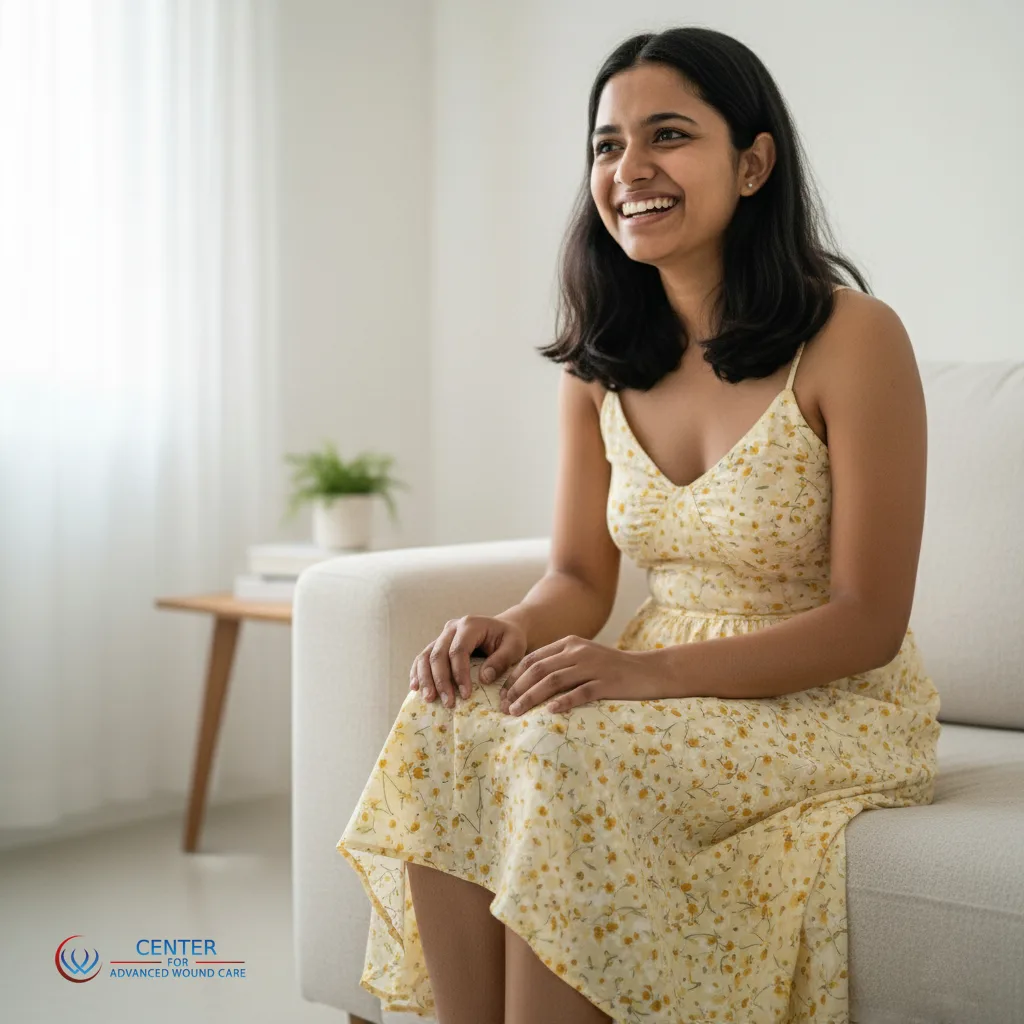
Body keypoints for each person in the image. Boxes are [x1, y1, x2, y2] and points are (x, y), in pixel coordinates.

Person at [336, 25, 941, 1024]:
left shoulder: (851, 338)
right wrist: (512, 627)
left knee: (560, 753)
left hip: (830, 703)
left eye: (668, 135)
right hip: (658, 683)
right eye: (606, 145)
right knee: (445, 721)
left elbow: (865, 619)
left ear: (752, 163)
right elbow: (577, 574)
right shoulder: (601, 362)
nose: (631, 170)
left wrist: (641, 673)